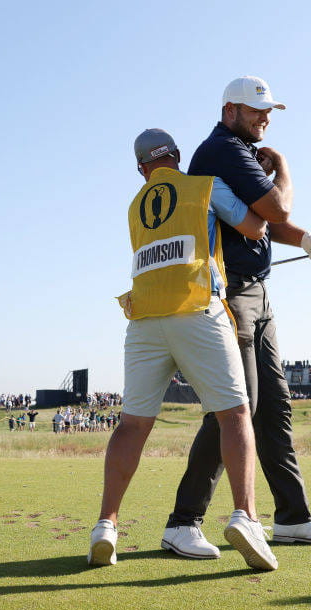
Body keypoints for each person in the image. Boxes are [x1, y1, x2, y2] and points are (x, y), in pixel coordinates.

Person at [164, 76, 311, 556]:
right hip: (232, 294)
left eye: (268, 111)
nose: (264, 118)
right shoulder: (224, 149)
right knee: (234, 406)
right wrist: (283, 166)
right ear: (230, 111)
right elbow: (275, 205)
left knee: (274, 408)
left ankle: (292, 519)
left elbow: (267, 221)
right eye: (255, 110)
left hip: (259, 295)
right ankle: (182, 522)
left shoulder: (237, 150)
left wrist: (305, 239)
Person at [88, 128, 276, 571]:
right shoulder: (202, 185)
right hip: (196, 309)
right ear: (176, 155)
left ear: (141, 169)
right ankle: (246, 517)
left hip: (143, 320)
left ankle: (106, 525)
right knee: (234, 414)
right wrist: (264, 179)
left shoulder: (135, 206)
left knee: (132, 425)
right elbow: (255, 226)